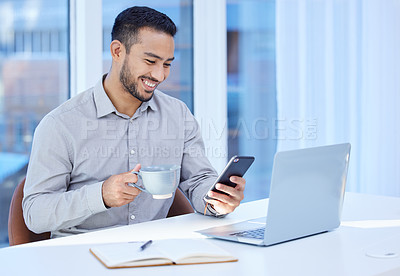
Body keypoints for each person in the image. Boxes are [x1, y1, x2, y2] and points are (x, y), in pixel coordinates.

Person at [22, 6, 246, 238]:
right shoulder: (61, 125)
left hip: (153, 250)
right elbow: (35, 214)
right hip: (82, 254)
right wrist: (100, 195)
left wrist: (217, 200)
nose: (159, 75)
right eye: (150, 61)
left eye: (167, 64)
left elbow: (198, 180)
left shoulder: (177, 114)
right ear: (118, 51)